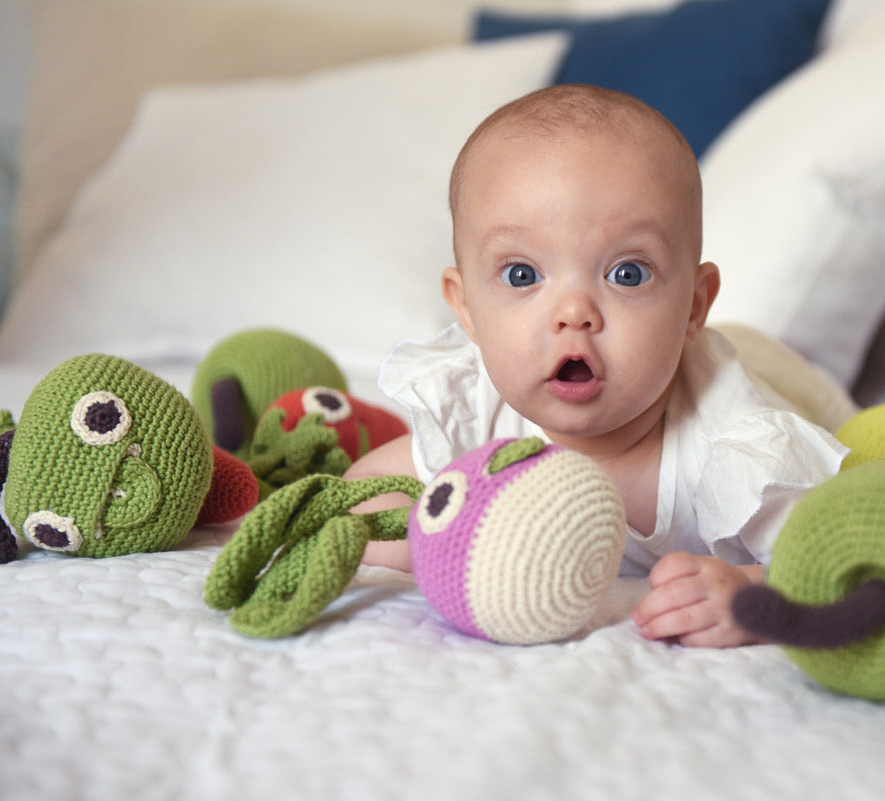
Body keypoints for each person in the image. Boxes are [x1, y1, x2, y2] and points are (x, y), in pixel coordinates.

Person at [346, 83, 847, 647]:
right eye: (522, 275)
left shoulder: (739, 444)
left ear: (693, 304)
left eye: (627, 274)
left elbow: (840, 556)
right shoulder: (478, 410)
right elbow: (368, 494)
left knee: (845, 426)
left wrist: (755, 594)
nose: (573, 313)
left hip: (774, 370)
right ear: (466, 309)